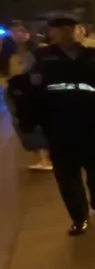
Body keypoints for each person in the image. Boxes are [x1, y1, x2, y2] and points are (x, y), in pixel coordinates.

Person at [27, 17, 95, 235]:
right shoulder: (42, 57)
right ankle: (78, 217)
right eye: (59, 29)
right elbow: (29, 89)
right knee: (65, 171)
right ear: (52, 32)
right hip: (56, 121)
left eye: (70, 28)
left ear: (81, 30)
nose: (66, 32)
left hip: (91, 119)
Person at [1, 24, 52, 170]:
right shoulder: (8, 50)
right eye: (15, 31)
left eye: (22, 31)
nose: (18, 34)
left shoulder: (38, 50)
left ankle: (46, 158)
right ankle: (43, 157)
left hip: (32, 92)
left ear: (29, 33)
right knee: (24, 124)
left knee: (36, 123)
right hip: (15, 91)